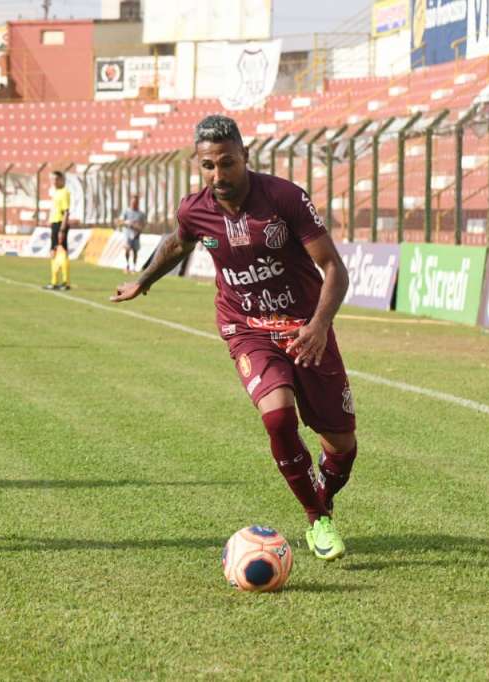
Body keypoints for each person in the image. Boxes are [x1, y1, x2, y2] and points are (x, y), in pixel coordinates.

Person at [111, 115, 355, 561]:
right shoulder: (194, 208)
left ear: (245, 157)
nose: (218, 175)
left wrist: (319, 325)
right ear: (197, 163)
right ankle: (316, 517)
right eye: (208, 166)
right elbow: (177, 243)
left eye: (227, 163)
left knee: (341, 444)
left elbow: (334, 268)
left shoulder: (284, 198)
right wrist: (144, 281)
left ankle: (324, 492)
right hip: (246, 327)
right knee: (277, 417)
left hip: (304, 327)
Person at [45, 170, 71, 290]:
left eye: (56, 179)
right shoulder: (55, 193)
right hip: (55, 223)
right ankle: (54, 281)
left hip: (60, 224)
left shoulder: (64, 192)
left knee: (62, 252)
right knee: (53, 251)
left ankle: (65, 282)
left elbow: (66, 211)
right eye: (52, 179)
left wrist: (62, 228)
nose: (53, 182)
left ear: (61, 180)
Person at [120, 194, 146, 273]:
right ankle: (127, 265)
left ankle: (134, 267)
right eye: (132, 202)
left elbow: (143, 225)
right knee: (127, 249)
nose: (133, 204)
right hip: (127, 235)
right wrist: (127, 223)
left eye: (135, 202)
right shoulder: (126, 211)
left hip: (136, 235)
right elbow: (120, 221)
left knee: (135, 251)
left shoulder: (141, 214)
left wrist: (137, 227)